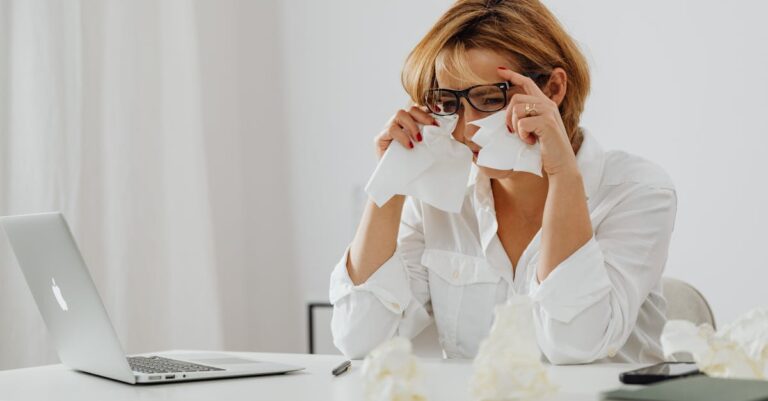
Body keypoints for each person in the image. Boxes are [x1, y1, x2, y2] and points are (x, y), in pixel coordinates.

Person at [329, 0, 676, 364]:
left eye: (488, 99)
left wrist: (563, 176)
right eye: (448, 102)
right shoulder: (441, 198)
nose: (465, 130)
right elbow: (360, 339)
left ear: (554, 89)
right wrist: (391, 180)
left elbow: (573, 344)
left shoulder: (637, 191)